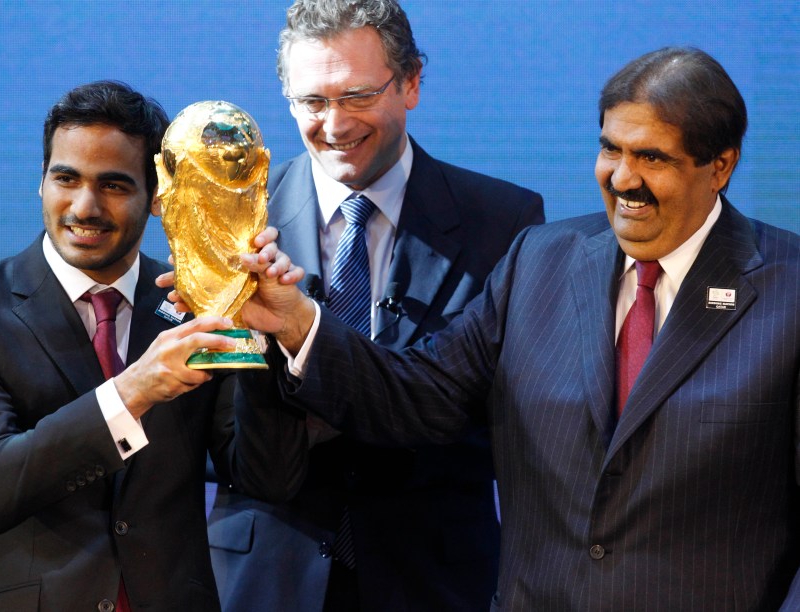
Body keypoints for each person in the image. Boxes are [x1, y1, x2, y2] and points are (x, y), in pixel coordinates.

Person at [237, 47, 800, 610]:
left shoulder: (788, 291)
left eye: (651, 157)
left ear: (720, 166)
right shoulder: (540, 260)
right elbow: (418, 393)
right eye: (610, 149)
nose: (623, 178)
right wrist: (296, 322)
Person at [201, 1, 544, 610]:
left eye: (357, 95)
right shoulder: (236, 227)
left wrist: (312, 345)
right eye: (312, 102)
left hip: (432, 579)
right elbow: (217, 436)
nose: (334, 125)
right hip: (269, 580)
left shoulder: (505, 222)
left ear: (411, 81)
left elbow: (485, 418)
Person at [0, 80, 293, 611]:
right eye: (65, 178)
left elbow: (264, 475)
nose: (84, 207)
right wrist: (133, 390)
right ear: (40, 182)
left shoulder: (199, 302)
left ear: (157, 195)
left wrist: (271, 339)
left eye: (113, 185)